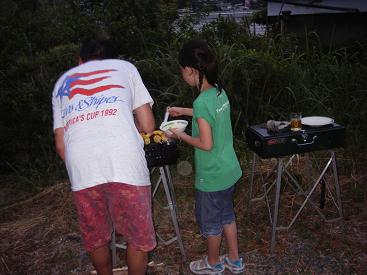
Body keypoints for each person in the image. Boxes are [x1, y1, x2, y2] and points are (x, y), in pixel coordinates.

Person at [52, 35, 156, 275]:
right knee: (137, 236)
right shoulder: (126, 68)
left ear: (80, 61)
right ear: (114, 60)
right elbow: (148, 125)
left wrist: (84, 168)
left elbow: (60, 145)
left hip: (82, 165)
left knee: (95, 235)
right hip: (125, 161)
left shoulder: (63, 82)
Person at [167, 40, 244, 274]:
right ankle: (234, 259)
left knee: (211, 223)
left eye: (182, 70)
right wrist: (184, 111)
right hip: (228, 169)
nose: (182, 74)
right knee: (227, 215)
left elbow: (205, 144)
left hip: (211, 176)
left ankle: (213, 264)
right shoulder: (219, 92)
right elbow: (207, 114)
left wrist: (179, 135)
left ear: (190, 70)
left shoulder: (201, 101)